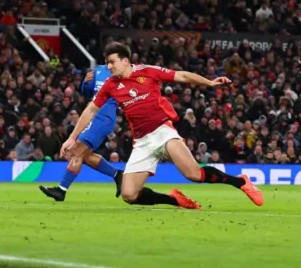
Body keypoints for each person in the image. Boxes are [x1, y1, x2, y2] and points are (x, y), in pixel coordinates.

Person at [60, 42, 264, 209]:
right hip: (141, 141)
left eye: (112, 62)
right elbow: (90, 111)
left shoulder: (148, 71)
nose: (109, 67)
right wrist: (72, 138)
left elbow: (182, 75)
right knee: (129, 195)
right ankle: (175, 200)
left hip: (162, 131)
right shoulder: (110, 86)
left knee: (193, 174)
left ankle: (241, 182)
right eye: (107, 63)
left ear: (125, 60)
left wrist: (209, 83)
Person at [40, 66, 123, 201]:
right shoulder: (99, 70)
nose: (110, 61)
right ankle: (117, 174)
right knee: (84, 155)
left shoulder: (121, 72)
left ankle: (61, 190)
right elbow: (87, 93)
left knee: (77, 150)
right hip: (93, 115)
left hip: (105, 117)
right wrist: (86, 82)